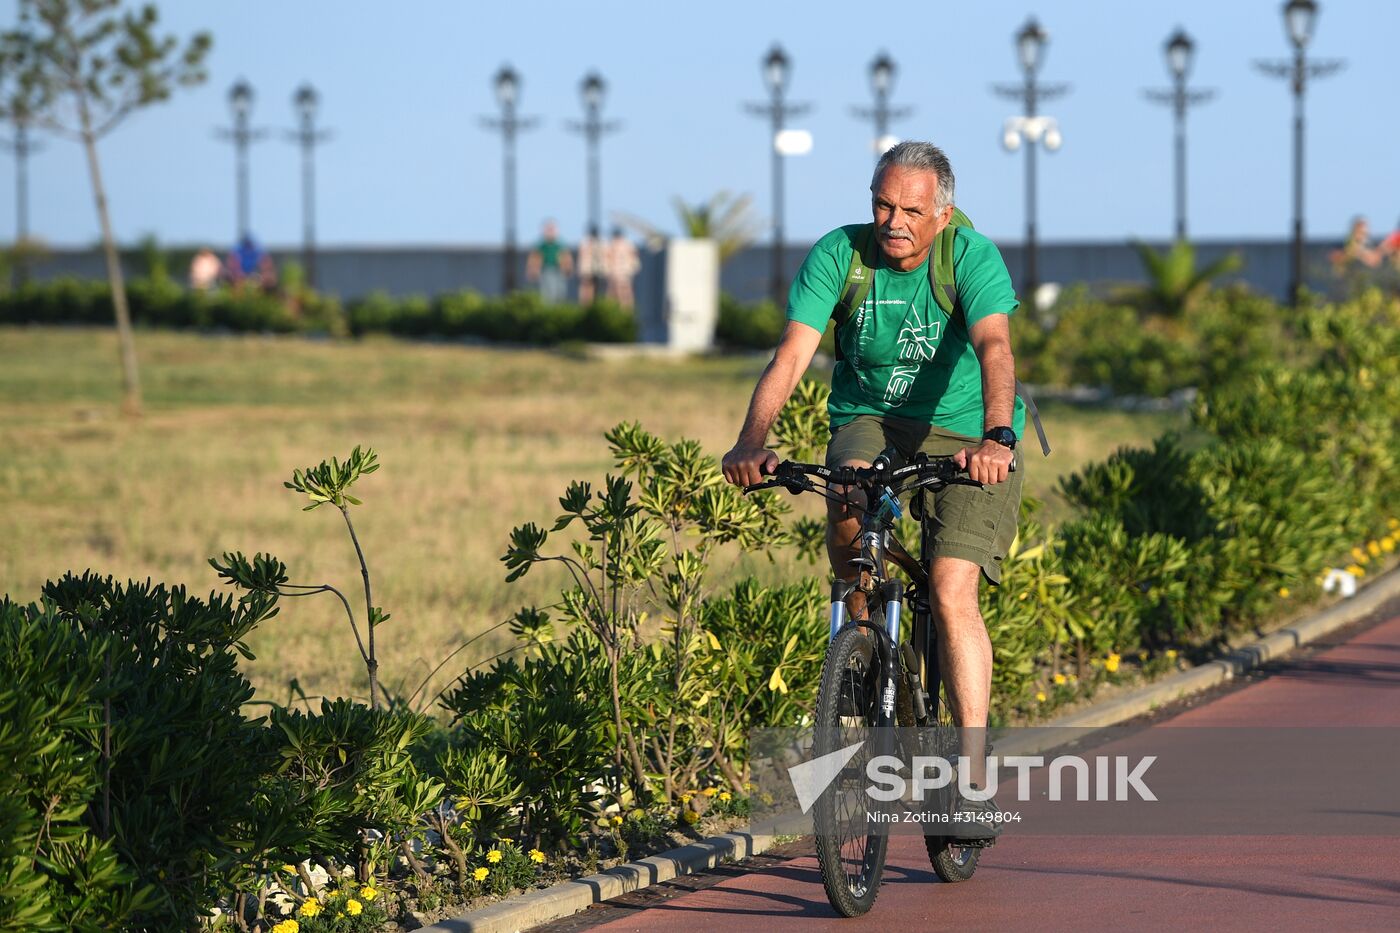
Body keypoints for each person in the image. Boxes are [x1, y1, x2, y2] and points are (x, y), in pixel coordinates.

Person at [720, 141, 1027, 836]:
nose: (894, 222)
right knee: (848, 509)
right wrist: (751, 440)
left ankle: (971, 778)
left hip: (967, 432)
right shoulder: (841, 255)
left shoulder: (969, 256)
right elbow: (792, 353)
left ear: (942, 213)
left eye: (911, 211)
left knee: (950, 586)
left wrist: (997, 438)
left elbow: (995, 347)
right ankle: (861, 657)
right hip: (871, 419)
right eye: (883, 205)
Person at [526, 220, 573, 304]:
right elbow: (534, 258)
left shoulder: (560, 244)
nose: (550, 232)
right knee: (548, 293)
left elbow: (566, 257)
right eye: (548, 230)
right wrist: (533, 270)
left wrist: (568, 268)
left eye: (552, 229)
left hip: (559, 270)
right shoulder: (541, 245)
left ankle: (558, 307)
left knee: (560, 291)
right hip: (546, 270)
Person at [605, 226, 640, 310]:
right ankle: (627, 310)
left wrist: (609, 272)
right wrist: (633, 270)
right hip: (626, 273)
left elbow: (608, 260)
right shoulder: (629, 244)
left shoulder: (612, 244)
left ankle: (619, 310)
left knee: (615, 293)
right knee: (627, 292)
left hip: (616, 273)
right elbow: (635, 260)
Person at [576, 225, 607, 304]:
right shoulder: (585, 242)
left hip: (597, 269)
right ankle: (585, 304)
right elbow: (582, 256)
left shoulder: (601, 242)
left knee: (596, 288)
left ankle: (592, 304)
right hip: (587, 269)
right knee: (586, 286)